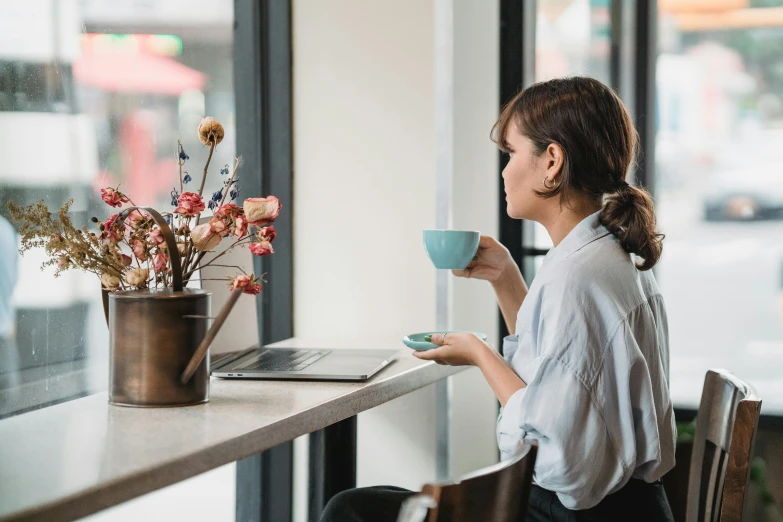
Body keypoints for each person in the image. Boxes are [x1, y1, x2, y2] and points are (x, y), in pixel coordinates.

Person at [320, 77, 676, 522]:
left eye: (511, 153)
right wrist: (507, 279)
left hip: (579, 515)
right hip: (631, 508)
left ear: (552, 160)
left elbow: (561, 457)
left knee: (350, 510)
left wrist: (481, 355)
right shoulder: (607, 255)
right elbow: (561, 375)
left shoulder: (576, 276)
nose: (505, 170)